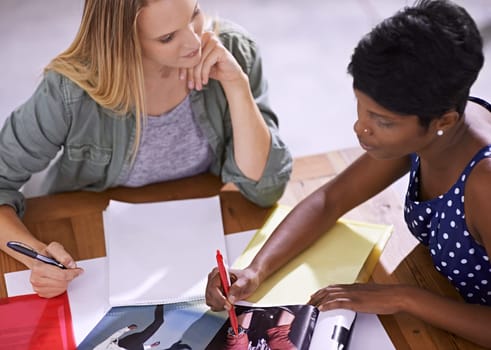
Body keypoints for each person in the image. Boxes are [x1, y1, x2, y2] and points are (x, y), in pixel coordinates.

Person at [205, 0, 491, 347]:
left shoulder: (484, 183)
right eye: (362, 108)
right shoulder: (432, 131)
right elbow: (331, 199)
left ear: (443, 121)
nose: (360, 128)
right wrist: (256, 269)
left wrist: (404, 298)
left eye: (382, 121)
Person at [0, 0, 292, 298]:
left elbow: (264, 188)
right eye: (167, 37)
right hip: (88, 241)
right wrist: (37, 257)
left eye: (194, 15)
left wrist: (236, 84)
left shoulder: (232, 50)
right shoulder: (69, 92)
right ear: (124, 41)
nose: (194, 42)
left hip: (191, 240)